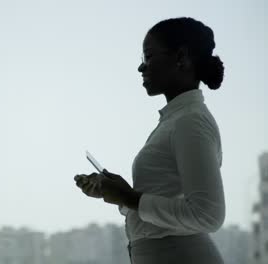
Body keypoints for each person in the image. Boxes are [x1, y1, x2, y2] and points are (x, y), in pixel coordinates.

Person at [74, 17, 225, 264]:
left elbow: (208, 215)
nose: (141, 68)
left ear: (181, 57)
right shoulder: (176, 120)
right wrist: (120, 193)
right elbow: (162, 202)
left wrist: (129, 198)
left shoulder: (190, 122)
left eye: (148, 57)